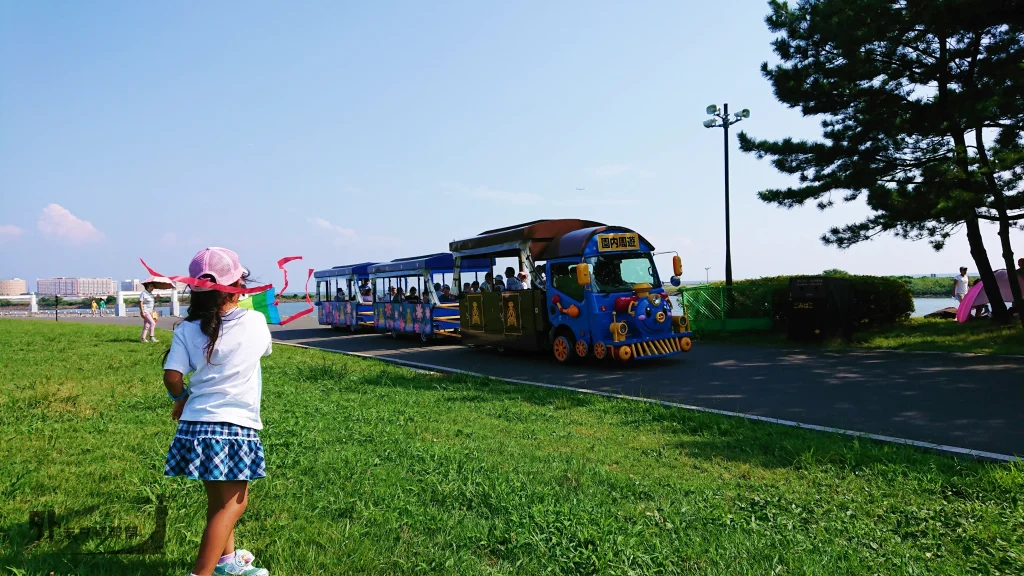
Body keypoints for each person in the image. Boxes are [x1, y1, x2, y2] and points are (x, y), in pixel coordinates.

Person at [162, 247, 273, 576]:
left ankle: (227, 563)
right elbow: (264, 349)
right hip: (233, 425)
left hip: (195, 426)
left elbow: (172, 377)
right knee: (235, 504)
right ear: (239, 282)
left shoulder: (185, 328)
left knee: (217, 501)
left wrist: (179, 400)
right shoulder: (254, 321)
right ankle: (202, 573)